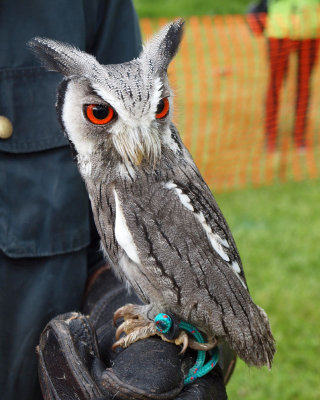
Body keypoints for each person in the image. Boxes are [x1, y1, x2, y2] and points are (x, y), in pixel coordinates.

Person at [0, 1, 234, 399]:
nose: (139, 145)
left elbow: (135, 239)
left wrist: (130, 318)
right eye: (99, 113)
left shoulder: (88, 7)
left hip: (50, 373)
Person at [247, 0, 320, 152]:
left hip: (311, 30)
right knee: (275, 85)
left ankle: (300, 137)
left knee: (304, 85)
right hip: (280, 30)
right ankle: (271, 137)